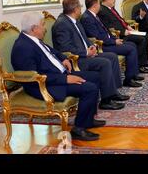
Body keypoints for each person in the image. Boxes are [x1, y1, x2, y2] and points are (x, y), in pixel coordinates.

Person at [11, 12, 105, 141]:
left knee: (95, 76)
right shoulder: (23, 47)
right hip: (44, 85)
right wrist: (66, 79)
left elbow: (51, 51)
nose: (45, 28)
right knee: (89, 88)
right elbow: (34, 76)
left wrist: (64, 58)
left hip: (57, 75)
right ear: (34, 29)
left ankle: (88, 120)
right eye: (42, 25)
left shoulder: (32, 39)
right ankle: (79, 129)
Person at [52, 0, 128, 110]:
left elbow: (85, 38)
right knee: (105, 63)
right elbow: (64, 48)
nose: (80, 9)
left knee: (112, 57)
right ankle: (106, 101)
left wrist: (91, 46)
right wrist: (85, 52)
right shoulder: (61, 24)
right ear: (75, 9)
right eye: (79, 7)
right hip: (76, 60)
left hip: (85, 54)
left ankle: (113, 92)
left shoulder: (74, 21)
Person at [80, 0, 145, 88]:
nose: (100, 5)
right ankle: (128, 79)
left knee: (132, 44)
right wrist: (113, 42)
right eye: (98, 3)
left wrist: (114, 39)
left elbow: (106, 31)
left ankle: (133, 74)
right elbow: (97, 37)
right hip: (103, 46)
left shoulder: (93, 15)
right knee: (131, 49)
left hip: (110, 41)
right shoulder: (87, 18)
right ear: (94, 5)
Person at [98, 0, 148, 70]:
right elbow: (109, 27)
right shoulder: (102, 11)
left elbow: (120, 19)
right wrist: (124, 31)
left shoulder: (111, 8)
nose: (114, 0)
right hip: (120, 35)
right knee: (142, 39)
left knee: (145, 35)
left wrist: (128, 26)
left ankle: (144, 61)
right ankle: (140, 65)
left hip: (126, 31)